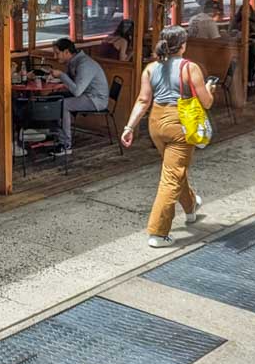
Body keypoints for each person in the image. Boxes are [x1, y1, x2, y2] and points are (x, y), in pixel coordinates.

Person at [120, 25, 215, 248]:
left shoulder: (151, 68)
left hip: (156, 123)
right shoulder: (189, 68)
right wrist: (209, 88)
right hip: (180, 123)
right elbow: (206, 102)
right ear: (182, 46)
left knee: (173, 168)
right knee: (172, 176)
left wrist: (129, 127)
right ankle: (158, 232)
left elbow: (143, 100)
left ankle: (191, 206)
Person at [47, 37, 109, 156]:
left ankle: (65, 145)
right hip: (86, 95)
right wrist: (58, 78)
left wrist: (61, 75)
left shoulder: (84, 64)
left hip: (96, 99)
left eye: (57, 53)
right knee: (53, 97)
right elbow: (72, 83)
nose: (55, 57)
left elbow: (76, 91)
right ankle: (56, 135)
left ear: (66, 52)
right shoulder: (73, 61)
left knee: (63, 105)